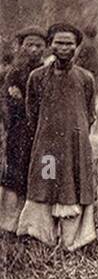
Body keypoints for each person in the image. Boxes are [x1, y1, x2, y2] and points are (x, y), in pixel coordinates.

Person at [15, 24, 96, 250]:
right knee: (46, 183)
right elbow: (32, 112)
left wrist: (75, 135)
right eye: (59, 43)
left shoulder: (85, 78)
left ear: (77, 47)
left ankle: (73, 240)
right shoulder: (37, 77)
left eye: (69, 43)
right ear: (50, 45)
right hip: (47, 149)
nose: (63, 48)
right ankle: (42, 237)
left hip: (75, 147)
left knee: (74, 186)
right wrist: (46, 135)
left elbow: (89, 114)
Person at [1, 27, 46, 234]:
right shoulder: (15, 73)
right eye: (29, 45)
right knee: (15, 174)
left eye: (39, 45)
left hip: (41, 133)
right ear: (21, 47)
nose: (34, 50)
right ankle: (9, 222)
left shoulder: (47, 73)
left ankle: (33, 224)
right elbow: (10, 103)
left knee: (40, 174)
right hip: (18, 133)